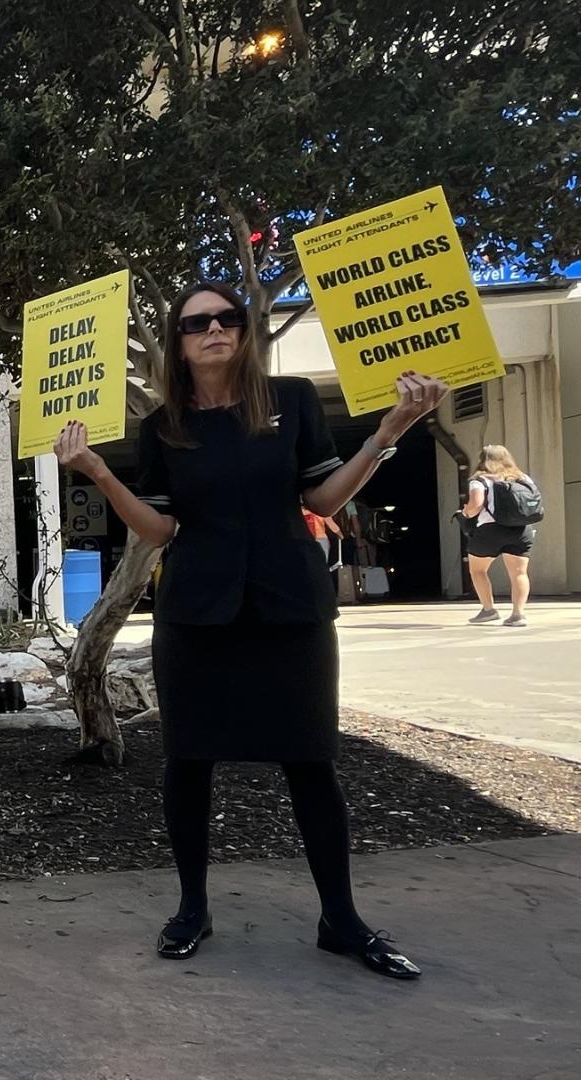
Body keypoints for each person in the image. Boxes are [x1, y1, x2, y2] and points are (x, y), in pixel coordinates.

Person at [54, 282, 447, 981]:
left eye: (228, 319)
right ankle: (192, 907)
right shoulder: (164, 426)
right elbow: (160, 528)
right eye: (197, 323)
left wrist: (387, 435)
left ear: (244, 330)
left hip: (288, 605)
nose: (214, 331)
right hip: (197, 612)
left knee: (311, 761)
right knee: (189, 762)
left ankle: (342, 920)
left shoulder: (291, 401)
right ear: (178, 341)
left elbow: (322, 497)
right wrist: (94, 473)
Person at [460, 444, 537, 627]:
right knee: (519, 572)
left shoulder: (480, 479)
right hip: (521, 528)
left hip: (490, 530)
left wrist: (465, 513)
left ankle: (488, 610)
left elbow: (476, 505)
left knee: (477, 570)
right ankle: (518, 615)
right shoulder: (523, 478)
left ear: (482, 459)